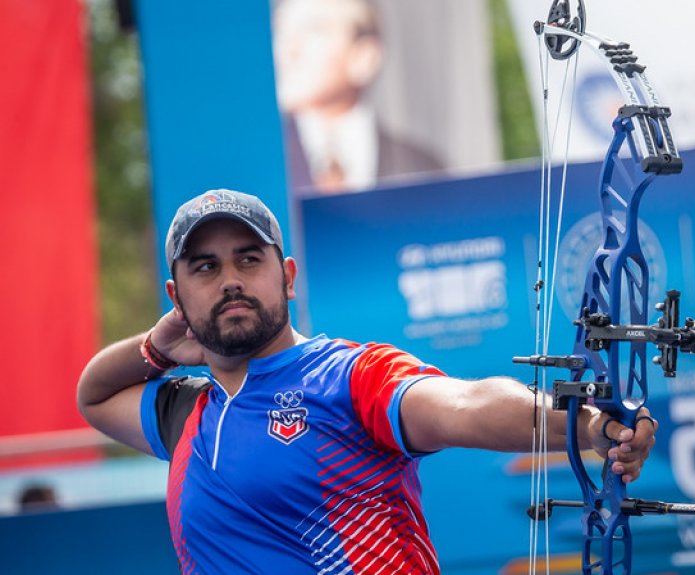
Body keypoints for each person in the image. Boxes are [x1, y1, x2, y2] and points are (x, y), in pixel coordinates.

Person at [77, 189, 657, 574]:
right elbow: (93, 395)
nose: (230, 279)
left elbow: (466, 404)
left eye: (249, 259)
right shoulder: (190, 415)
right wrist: (155, 348)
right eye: (205, 267)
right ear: (176, 297)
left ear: (287, 277)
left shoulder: (347, 377)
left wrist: (587, 423)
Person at [272, 0, 444, 195]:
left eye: (313, 30)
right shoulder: (259, 163)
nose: (287, 50)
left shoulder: (424, 169)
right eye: (280, 32)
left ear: (365, 55)